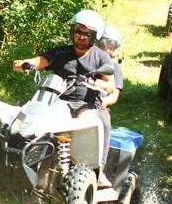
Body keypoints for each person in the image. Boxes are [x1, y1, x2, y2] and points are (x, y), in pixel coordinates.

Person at [12, 9, 116, 187]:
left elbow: (110, 85)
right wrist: (25, 63)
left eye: (86, 34)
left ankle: (98, 171)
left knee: (95, 123)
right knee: (34, 117)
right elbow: (41, 60)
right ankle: (26, 159)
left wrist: (94, 83)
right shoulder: (61, 52)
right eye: (78, 32)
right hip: (59, 101)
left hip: (87, 104)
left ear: (94, 37)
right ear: (72, 32)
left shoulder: (101, 57)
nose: (81, 37)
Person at [96, 24, 123, 108]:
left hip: (98, 105)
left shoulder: (114, 67)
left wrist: (105, 102)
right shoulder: (88, 60)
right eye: (103, 46)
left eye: (111, 48)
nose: (107, 50)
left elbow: (115, 93)